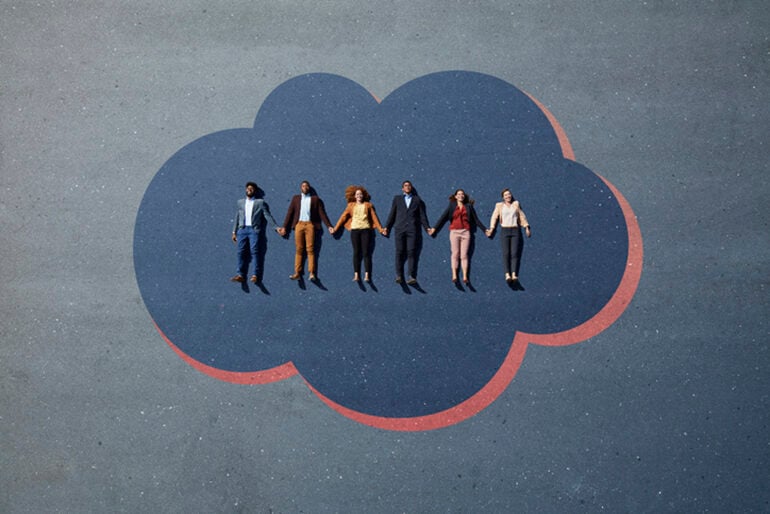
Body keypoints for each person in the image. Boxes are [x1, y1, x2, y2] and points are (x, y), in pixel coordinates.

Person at [277, 180, 333, 281]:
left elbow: (322, 213)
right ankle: (297, 272)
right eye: (303, 186)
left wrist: (329, 225)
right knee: (299, 249)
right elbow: (290, 212)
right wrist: (285, 226)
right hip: (299, 224)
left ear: (309, 188)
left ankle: (312, 273)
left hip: (310, 225)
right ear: (300, 188)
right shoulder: (296, 198)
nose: (305, 187)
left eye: (307, 186)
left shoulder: (315, 199)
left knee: (310, 249)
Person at [331, 185, 386, 282]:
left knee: (366, 253)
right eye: (357, 194)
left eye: (360, 194)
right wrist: (335, 228)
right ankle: (356, 275)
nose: (359, 195)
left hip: (365, 230)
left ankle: (367, 275)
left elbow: (374, 218)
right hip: (355, 230)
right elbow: (343, 217)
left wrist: (381, 229)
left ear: (363, 195)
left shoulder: (368, 205)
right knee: (356, 252)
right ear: (354, 196)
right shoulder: (351, 206)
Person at [383, 180, 434, 285]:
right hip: (399, 229)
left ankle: (411, 276)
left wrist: (427, 227)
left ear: (411, 188)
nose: (407, 187)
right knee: (399, 252)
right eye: (405, 186)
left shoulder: (417, 200)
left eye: (409, 185)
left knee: (411, 252)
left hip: (412, 229)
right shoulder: (397, 199)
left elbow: (422, 216)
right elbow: (392, 213)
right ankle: (399, 275)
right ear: (402, 188)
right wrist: (387, 227)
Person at [432, 189, 487, 284]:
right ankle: (454, 275)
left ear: (464, 196)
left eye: (462, 194)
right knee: (455, 254)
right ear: (456, 196)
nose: (461, 195)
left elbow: (476, 220)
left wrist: (485, 230)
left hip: (465, 232)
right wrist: (434, 228)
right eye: (459, 194)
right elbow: (443, 218)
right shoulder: (452, 206)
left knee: (464, 255)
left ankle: (465, 276)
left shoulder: (468, 206)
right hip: (454, 232)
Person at [230, 181, 280, 284]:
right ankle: (240, 275)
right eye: (248, 188)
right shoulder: (240, 202)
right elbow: (237, 217)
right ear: (245, 189)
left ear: (255, 191)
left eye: (251, 189)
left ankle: (255, 275)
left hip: (254, 230)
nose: (249, 190)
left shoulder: (260, 203)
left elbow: (267, 216)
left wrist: (276, 227)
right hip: (242, 230)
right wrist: (234, 231)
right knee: (240, 252)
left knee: (255, 252)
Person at [486, 188, 532, 283]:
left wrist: (526, 226)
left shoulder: (516, 204)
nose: (508, 196)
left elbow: (521, 216)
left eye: (509, 194)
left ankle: (514, 274)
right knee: (506, 253)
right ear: (503, 197)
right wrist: (492, 228)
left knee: (514, 253)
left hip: (515, 230)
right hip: (505, 230)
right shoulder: (499, 206)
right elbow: (494, 217)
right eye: (506, 195)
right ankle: (507, 274)